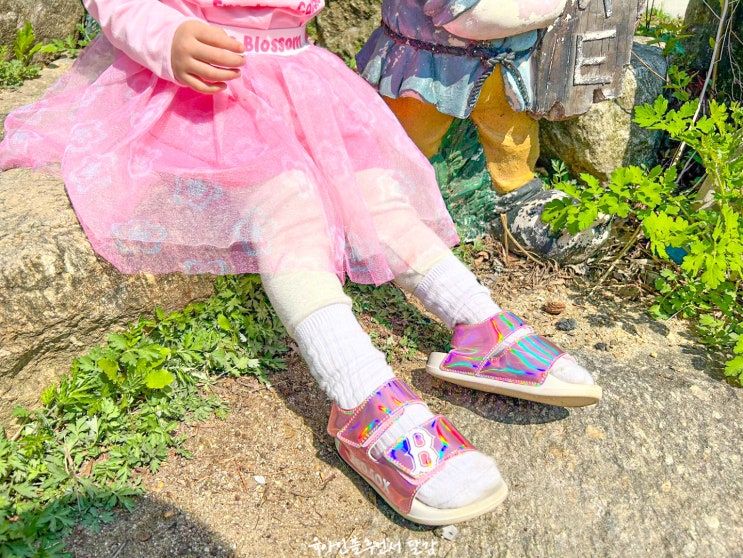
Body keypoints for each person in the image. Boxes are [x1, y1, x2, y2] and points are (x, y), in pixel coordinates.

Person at [0, 0, 601, 525]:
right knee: (287, 205)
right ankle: (358, 389)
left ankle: (476, 320)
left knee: (379, 194)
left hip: (302, 78)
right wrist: (166, 36)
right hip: (207, 90)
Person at [357, 0, 612, 263]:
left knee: (511, 136)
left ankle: (517, 197)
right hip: (424, 66)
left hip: (505, 64)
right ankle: (399, 205)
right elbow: (466, 16)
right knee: (411, 139)